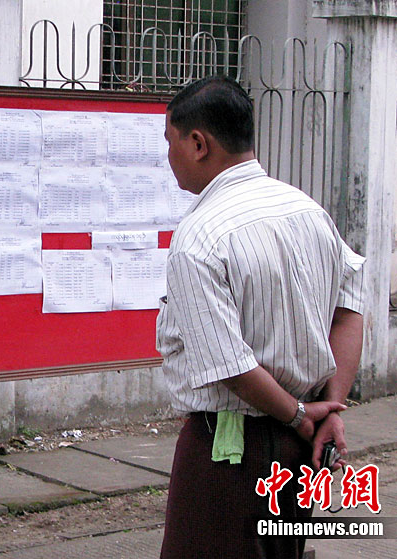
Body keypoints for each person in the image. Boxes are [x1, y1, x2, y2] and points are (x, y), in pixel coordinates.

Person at [157, 75, 365, 558]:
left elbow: (230, 365)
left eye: (170, 142)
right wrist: (330, 409)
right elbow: (351, 310)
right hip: (302, 447)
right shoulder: (309, 212)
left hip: (230, 450)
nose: (168, 157)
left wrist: (301, 416)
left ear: (198, 144)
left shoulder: (199, 238)